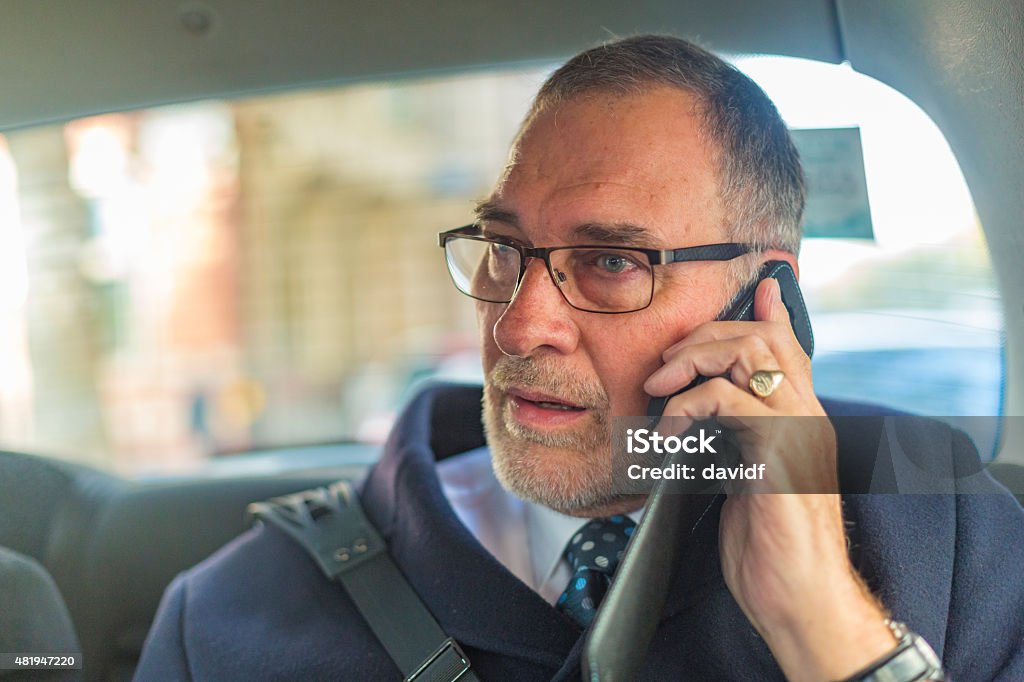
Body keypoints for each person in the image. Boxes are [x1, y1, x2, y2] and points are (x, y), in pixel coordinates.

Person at [135, 35, 1024, 681]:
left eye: (610, 264)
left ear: (767, 300)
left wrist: (825, 624)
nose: (518, 329)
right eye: (502, 248)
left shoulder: (948, 526)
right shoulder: (226, 619)